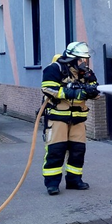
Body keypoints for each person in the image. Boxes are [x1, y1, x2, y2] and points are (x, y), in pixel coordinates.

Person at [41, 41, 100, 195]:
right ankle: (52, 184)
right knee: (56, 151)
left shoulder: (85, 73)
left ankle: (74, 180)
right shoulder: (55, 69)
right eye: (81, 59)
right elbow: (47, 88)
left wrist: (93, 92)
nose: (84, 62)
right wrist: (72, 93)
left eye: (85, 60)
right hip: (58, 118)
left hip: (78, 120)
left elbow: (95, 89)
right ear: (72, 58)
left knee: (78, 151)